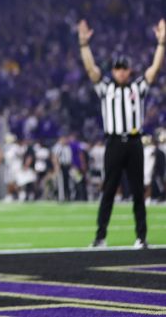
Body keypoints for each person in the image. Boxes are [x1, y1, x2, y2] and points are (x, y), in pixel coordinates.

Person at [79, 18, 164, 249]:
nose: (120, 72)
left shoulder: (138, 87)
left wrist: (162, 44)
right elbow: (91, 70)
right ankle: (100, 236)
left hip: (135, 142)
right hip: (115, 142)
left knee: (138, 191)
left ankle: (141, 237)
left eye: (123, 68)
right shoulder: (106, 88)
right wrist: (84, 45)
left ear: (129, 70)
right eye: (117, 68)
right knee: (109, 190)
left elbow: (154, 70)